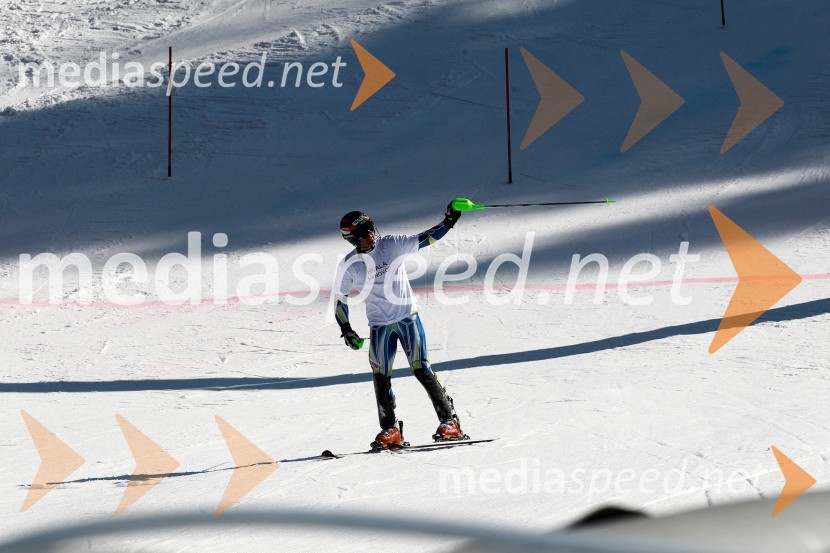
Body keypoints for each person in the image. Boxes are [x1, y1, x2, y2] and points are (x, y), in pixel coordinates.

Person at [333, 202, 466, 449]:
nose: (370, 236)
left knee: (421, 368)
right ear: (352, 240)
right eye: (363, 234)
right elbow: (340, 300)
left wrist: (448, 221)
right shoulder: (349, 265)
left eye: (370, 229)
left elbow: (426, 239)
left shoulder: (391, 244)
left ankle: (450, 422)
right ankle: (390, 429)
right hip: (380, 326)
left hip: (407, 318)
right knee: (381, 377)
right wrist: (346, 329)